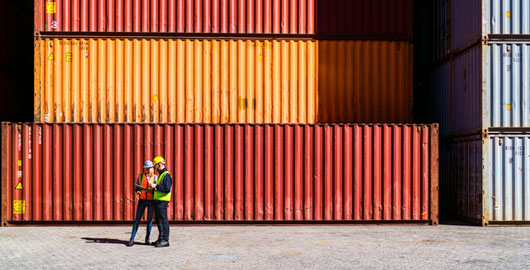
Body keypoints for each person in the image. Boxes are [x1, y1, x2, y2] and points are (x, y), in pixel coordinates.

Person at [127, 160, 157, 247]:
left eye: (148, 169)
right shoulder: (140, 177)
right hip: (142, 200)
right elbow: (136, 188)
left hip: (151, 200)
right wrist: (138, 191)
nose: (147, 170)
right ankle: (132, 238)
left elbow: (157, 189)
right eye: (145, 169)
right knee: (137, 220)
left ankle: (147, 238)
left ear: (152, 169)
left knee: (149, 220)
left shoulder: (155, 178)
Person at [150, 156, 172, 248]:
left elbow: (167, 189)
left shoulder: (166, 175)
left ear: (159, 165)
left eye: (155, 167)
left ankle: (165, 240)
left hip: (162, 201)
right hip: (158, 201)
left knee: (163, 220)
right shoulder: (161, 175)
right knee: (159, 220)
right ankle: (160, 238)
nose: (155, 169)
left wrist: (155, 186)